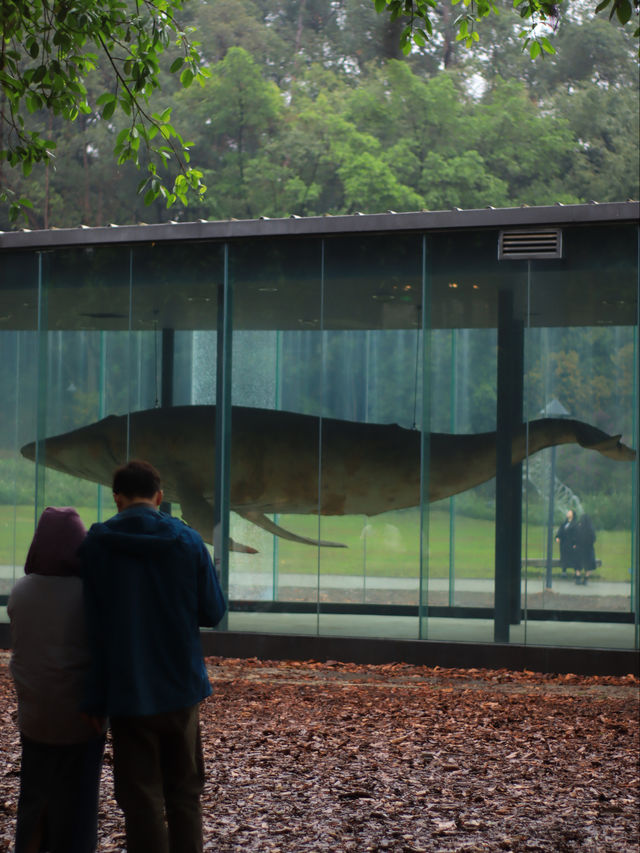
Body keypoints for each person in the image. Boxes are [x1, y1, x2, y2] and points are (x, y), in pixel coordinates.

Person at [79, 459, 227, 853]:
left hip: (127, 690)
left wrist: (94, 698)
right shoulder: (189, 541)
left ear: (117, 499)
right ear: (159, 497)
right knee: (184, 793)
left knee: (140, 797)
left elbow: (90, 628)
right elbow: (213, 612)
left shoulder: (96, 545)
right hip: (180, 685)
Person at [8, 506, 106, 853]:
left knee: (35, 793)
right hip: (82, 717)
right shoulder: (89, 593)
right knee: (79, 799)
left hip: (35, 715)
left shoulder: (20, 592)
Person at [555, 508, 578, 578]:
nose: (568, 513)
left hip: (571, 544)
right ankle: (564, 572)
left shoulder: (575, 524)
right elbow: (560, 531)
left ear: (573, 515)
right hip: (564, 544)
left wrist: (575, 543)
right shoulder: (564, 523)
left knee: (573, 557)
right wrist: (558, 537)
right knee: (564, 557)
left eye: (570, 512)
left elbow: (576, 534)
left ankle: (576, 573)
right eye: (568, 512)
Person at [575, 513, 597, 585]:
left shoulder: (579, 528)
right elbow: (594, 539)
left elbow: (576, 538)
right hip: (589, 549)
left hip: (579, 549)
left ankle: (578, 578)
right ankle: (586, 579)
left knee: (578, 564)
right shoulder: (591, 528)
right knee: (589, 565)